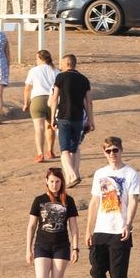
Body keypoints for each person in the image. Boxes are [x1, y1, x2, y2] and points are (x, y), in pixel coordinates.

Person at [87, 136, 140, 278]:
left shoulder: (131, 174)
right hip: (101, 229)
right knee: (96, 269)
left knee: (118, 274)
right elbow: (94, 202)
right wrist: (89, 230)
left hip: (120, 229)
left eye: (115, 150)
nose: (112, 154)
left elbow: (133, 200)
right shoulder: (99, 173)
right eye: (108, 151)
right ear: (104, 153)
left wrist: (128, 224)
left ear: (121, 150)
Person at [26, 165, 80, 278]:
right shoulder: (39, 200)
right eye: (51, 181)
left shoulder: (68, 201)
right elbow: (32, 226)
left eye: (57, 181)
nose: (54, 184)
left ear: (62, 182)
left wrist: (75, 248)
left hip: (61, 247)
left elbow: (73, 226)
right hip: (42, 246)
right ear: (46, 182)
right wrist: (28, 249)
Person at [51, 52, 94, 186]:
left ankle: (72, 175)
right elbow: (89, 102)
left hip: (64, 116)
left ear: (67, 63)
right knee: (74, 149)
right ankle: (72, 177)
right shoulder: (84, 79)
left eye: (62, 64)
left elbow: (55, 98)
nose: (60, 66)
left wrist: (52, 116)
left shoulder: (61, 77)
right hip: (78, 118)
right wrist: (90, 120)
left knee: (64, 150)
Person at [24, 50, 61, 163]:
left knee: (38, 128)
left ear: (40, 59)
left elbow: (27, 89)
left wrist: (26, 102)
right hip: (52, 99)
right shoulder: (55, 71)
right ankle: (50, 150)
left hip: (37, 99)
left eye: (36, 58)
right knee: (51, 126)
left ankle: (40, 153)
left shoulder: (34, 71)